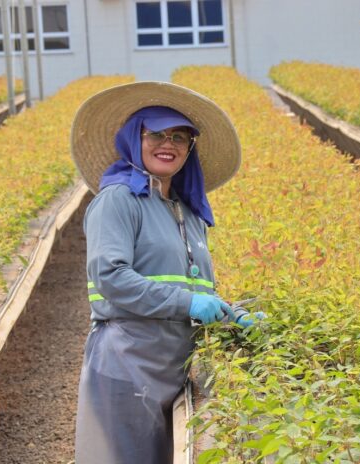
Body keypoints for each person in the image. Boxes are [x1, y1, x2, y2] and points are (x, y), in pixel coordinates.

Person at [70, 81, 264, 463]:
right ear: (133, 137)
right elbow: (111, 280)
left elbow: (190, 288)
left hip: (174, 366)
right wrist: (189, 302)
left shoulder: (187, 211)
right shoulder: (118, 201)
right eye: (156, 133)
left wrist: (231, 314)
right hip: (128, 364)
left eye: (180, 137)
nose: (168, 143)